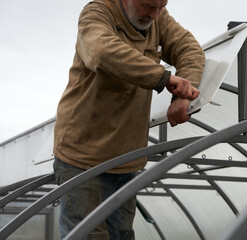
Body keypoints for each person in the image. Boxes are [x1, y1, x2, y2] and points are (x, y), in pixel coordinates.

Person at [52, 0, 205, 239]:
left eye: (160, 7)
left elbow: (189, 48)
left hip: (126, 158)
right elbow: (103, 52)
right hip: (82, 157)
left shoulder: (158, 16)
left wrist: (184, 92)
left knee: (122, 234)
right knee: (87, 235)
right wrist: (164, 79)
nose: (154, 15)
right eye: (148, 6)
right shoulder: (97, 13)